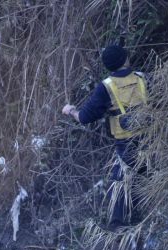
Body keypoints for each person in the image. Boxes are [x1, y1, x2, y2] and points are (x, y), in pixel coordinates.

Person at [62, 44, 148, 230]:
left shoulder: (106, 87)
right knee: (145, 177)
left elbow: (84, 117)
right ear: (126, 59)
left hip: (126, 143)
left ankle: (118, 226)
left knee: (119, 182)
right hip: (152, 139)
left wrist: (70, 111)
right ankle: (146, 218)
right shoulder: (143, 78)